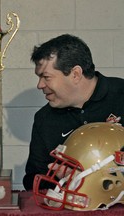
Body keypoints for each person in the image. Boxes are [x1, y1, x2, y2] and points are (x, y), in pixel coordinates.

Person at [23, 34, 124, 190]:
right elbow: (32, 180)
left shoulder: (121, 95)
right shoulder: (44, 119)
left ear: (75, 74)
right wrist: (60, 177)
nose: (40, 85)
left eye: (46, 77)